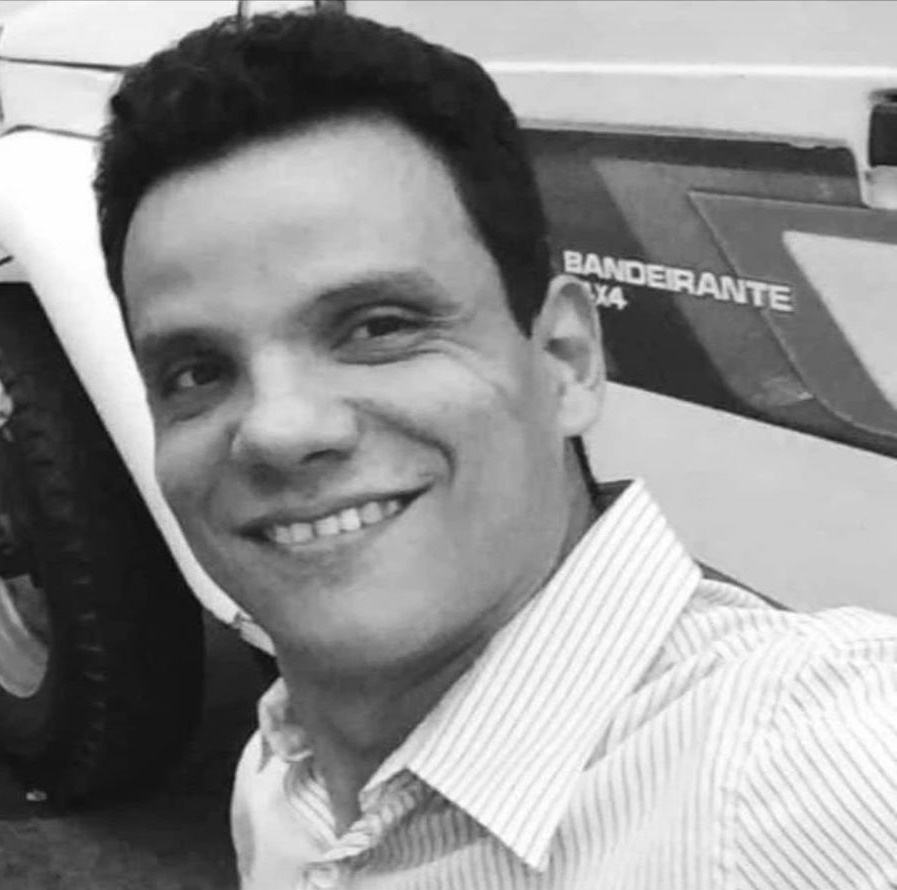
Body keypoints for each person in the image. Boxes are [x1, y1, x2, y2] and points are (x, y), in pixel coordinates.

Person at [93, 8, 897, 889]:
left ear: (564, 360)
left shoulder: (807, 773)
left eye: (378, 327)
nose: (277, 430)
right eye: (197, 372)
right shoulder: (284, 774)